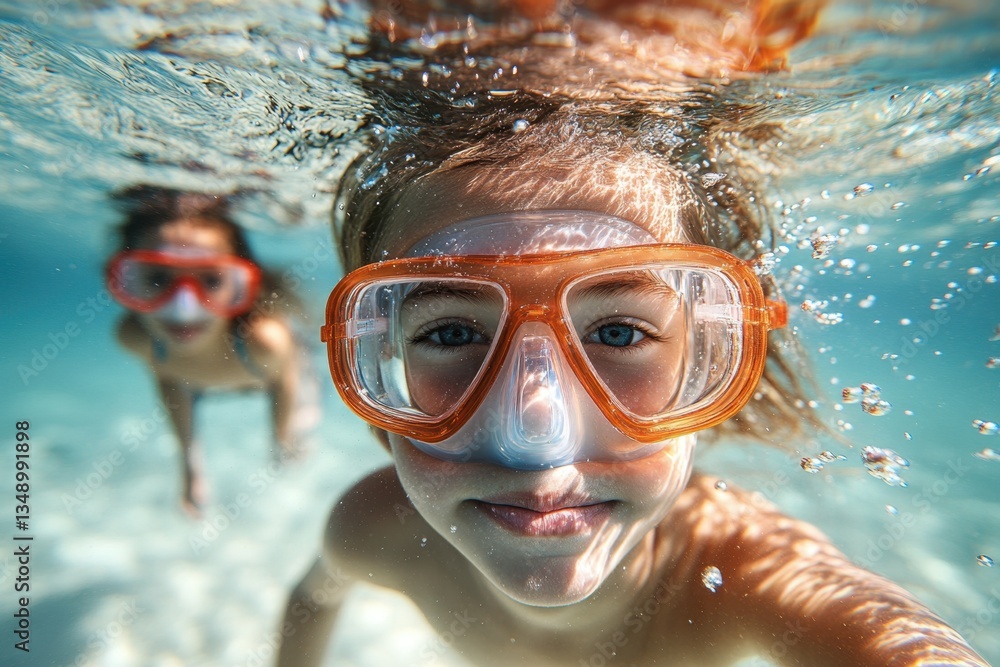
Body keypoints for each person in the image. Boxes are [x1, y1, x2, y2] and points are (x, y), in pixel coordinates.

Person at [276, 1, 988, 665]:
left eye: (618, 333)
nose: (538, 436)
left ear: (710, 358)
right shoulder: (374, 526)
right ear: (378, 363)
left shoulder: (740, 570)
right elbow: (311, 598)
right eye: (454, 330)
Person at [108, 185, 318, 516]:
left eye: (210, 281)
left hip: (270, 369)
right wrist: (190, 467)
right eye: (159, 278)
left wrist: (282, 440)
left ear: (239, 286)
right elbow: (170, 382)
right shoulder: (136, 337)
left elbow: (286, 380)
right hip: (214, 374)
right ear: (128, 281)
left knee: (303, 411)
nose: (184, 306)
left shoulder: (264, 342)